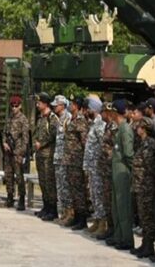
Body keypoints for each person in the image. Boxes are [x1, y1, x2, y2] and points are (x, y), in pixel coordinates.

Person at [107, 99, 134, 250]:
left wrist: (133, 171)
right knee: (116, 206)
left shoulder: (125, 129)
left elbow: (129, 154)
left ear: (115, 113)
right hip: (117, 172)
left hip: (123, 172)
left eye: (111, 112)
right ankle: (118, 236)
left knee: (123, 206)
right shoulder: (120, 129)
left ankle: (127, 239)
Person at [63, 96, 89, 230]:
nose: (70, 105)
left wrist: (84, 160)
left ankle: (82, 218)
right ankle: (76, 215)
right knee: (73, 189)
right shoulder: (71, 119)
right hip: (69, 159)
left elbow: (84, 141)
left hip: (77, 160)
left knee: (79, 190)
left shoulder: (81, 120)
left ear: (77, 106)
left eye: (72, 104)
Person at [131, 122, 155, 260]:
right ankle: (145, 244)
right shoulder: (142, 143)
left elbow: (150, 166)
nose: (137, 129)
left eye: (139, 127)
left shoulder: (150, 144)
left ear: (145, 129)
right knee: (143, 216)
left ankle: (149, 247)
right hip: (140, 184)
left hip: (147, 185)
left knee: (148, 217)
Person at [33, 92, 59, 220]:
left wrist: (41, 143)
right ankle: (46, 207)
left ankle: (53, 210)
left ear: (45, 103)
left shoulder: (52, 118)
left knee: (49, 183)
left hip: (48, 155)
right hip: (40, 155)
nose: (37, 105)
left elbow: (54, 135)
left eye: (39, 102)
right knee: (42, 182)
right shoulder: (40, 118)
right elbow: (36, 133)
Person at [84, 97, 106, 235]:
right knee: (93, 193)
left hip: (97, 165)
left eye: (88, 108)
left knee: (99, 194)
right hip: (91, 166)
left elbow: (103, 145)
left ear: (94, 109)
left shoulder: (100, 124)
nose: (87, 111)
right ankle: (97, 220)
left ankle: (103, 222)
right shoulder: (92, 124)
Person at [96, 102, 119, 241]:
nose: (101, 114)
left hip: (110, 168)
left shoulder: (114, 127)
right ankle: (110, 227)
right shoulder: (107, 126)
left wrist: (109, 155)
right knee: (106, 200)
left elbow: (117, 147)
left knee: (111, 200)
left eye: (103, 112)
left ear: (108, 112)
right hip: (105, 169)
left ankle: (114, 229)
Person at [2, 95, 29, 210]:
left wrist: (21, 152)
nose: (14, 108)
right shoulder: (9, 118)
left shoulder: (23, 120)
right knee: (8, 175)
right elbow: (4, 132)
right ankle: (10, 198)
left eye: (16, 106)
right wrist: (4, 143)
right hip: (8, 152)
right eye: (12, 106)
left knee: (19, 177)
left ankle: (21, 199)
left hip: (17, 152)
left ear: (20, 106)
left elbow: (25, 138)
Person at [51, 95, 72, 224]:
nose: (54, 107)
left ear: (63, 105)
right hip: (58, 158)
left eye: (56, 105)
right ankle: (64, 212)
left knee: (65, 186)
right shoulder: (59, 119)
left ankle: (69, 213)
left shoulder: (68, 118)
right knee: (60, 187)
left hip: (64, 158)